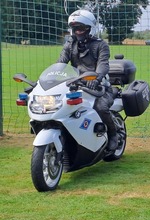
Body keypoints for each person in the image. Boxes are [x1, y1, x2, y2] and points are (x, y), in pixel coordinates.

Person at [57, 9, 118, 153]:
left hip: (100, 86)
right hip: (77, 85)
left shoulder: (100, 45)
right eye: (75, 28)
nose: (78, 31)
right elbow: (61, 63)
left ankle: (113, 134)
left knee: (101, 108)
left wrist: (96, 78)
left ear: (89, 28)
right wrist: (54, 77)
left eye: (82, 28)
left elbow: (103, 64)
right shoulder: (69, 45)